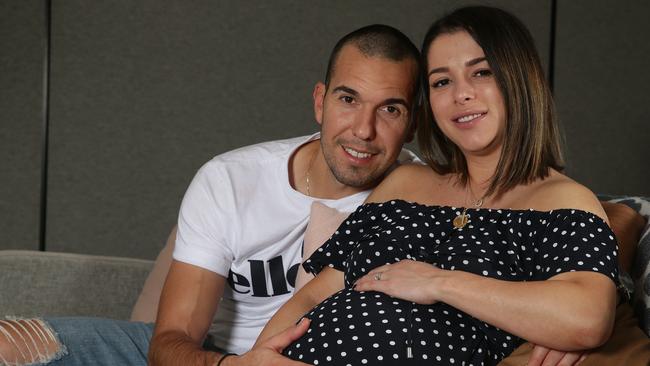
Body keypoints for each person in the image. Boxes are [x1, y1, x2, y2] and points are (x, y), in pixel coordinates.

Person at [0, 24, 421, 366]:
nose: (363, 130)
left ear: (413, 123)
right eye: (348, 99)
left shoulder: (426, 199)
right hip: (212, 359)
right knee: (10, 345)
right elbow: (170, 341)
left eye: (390, 109)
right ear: (320, 102)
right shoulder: (231, 179)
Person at [255, 6, 619, 366]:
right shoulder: (405, 182)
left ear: (520, 79)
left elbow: (587, 318)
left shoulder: (561, 201)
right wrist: (255, 359)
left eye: (481, 72)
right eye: (442, 81)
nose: (461, 94)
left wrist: (437, 283)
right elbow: (314, 295)